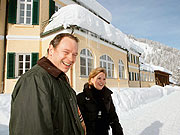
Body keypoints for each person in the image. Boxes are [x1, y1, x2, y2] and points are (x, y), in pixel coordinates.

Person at [9, 33, 86, 135]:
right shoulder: (35, 80)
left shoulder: (59, 79)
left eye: (74, 54)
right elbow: (31, 129)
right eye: (66, 52)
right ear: (51, 50)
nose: (71, 59)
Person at [77, 67, 124, 135]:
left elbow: (113, 117)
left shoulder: (107, 96)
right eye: (99, 78)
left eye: (104, 79)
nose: (102, 81)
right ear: (91, 79)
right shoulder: (81, 98)